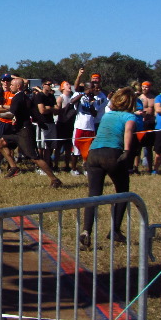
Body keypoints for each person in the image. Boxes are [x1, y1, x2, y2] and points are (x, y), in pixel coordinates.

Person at [79, 87, 138, 248]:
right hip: (112, 154)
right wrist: (126, 151)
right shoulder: (129, 116)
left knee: (94, 195)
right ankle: (115, 230)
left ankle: (86, 231)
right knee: (122, 191)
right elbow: (128, 131)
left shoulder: (107, 115)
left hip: (94, 153)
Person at [0, 78, 63, 188]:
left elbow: (11, 114)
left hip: (24, 130)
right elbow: (32, 111)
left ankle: (54, 179)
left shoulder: (18, 97)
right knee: (1, 143)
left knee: (34, 157)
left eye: (12, 85)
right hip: (18, 130)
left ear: (18, 87)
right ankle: (13, 167)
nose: (10, 86)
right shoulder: (24, 97)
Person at [54, 80, 76, 172]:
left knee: (68, 146)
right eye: (67, 84)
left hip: (70, 124)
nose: (69, 86)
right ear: (62, 87)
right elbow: (57, 111)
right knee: (58, 146)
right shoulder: (60, 98)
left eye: (69, 84)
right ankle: (55, 165)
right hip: (62, 124)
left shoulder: (72, 97)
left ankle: (67, 165)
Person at [35, 78, 57, 168]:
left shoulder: (51, 96)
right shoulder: (40, 96)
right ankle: (41, 166)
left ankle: (47, 165)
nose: (50, 86)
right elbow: (42, 110)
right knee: (41, 146)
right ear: (43, 85)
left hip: (51, 122)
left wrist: (48, 108)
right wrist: (50, 108)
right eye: (48, 84)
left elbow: (57, 110)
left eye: (51, 84)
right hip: (42, 123)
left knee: (49, 146)